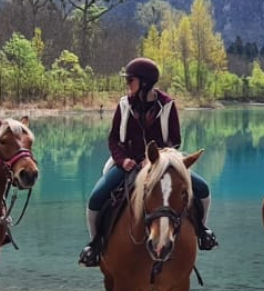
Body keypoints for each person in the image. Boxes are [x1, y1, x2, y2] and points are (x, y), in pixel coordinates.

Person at [79, 57, 219, 266]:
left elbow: (175, 140)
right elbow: (114, 139)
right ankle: (95, 245)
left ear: (144, 82)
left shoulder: (167, 105)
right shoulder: (124, 104)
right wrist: (123, 160)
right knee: (96, 198)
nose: (127, 84)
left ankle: (202, 231)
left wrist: (157, 158)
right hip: (128, 164)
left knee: (203, 189)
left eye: (130, 80)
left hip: (162, 163)